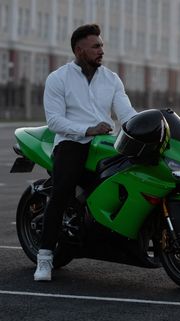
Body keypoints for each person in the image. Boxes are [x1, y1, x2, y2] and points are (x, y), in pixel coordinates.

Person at [34, 23, 137, 281]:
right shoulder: (58, 78)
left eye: (102, 45)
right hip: (71, 143)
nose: (102, 50)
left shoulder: (111, 79)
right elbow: (55, 121)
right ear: (80, 51)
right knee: (61, 193)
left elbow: (127, 114)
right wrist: (87, 129)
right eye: (96, 46)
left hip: (105, 144)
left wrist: (145, 127)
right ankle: (45, 258)